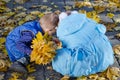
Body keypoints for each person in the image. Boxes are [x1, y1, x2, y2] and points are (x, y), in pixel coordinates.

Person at [52, 11, 114, 77]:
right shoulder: (87, 20)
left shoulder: (63, 29)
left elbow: (65, 45)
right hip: (105, 59)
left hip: (84, 62)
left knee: (57, 57)